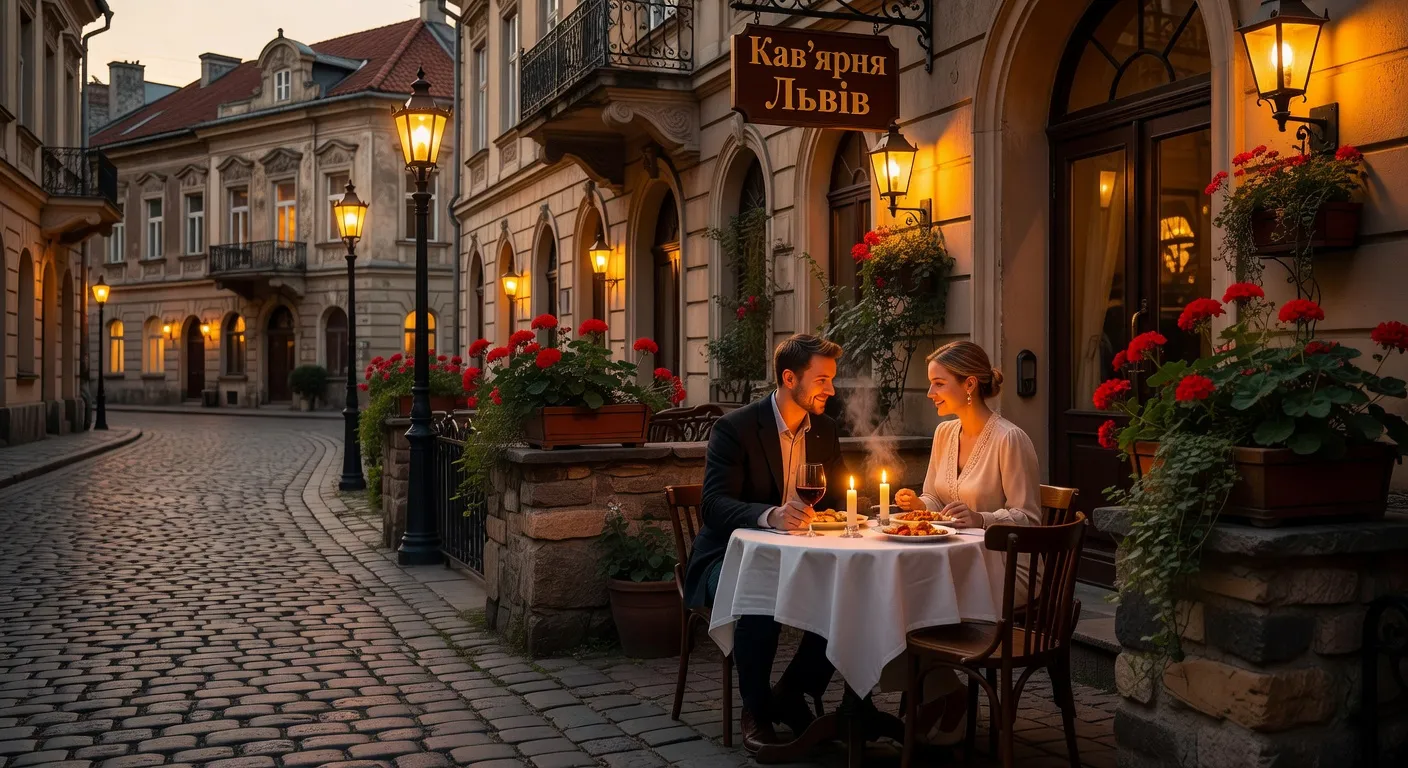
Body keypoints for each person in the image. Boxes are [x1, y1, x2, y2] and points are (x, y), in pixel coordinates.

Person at [682, 334, 849, 754]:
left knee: (850, 592)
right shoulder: (736, 428)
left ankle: (792, 691)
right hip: (727, 558)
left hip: (801, 557)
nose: (831, 390)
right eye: (822, 380)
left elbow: (838, 500)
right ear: (790, 378)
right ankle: (755, 709)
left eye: (832, 380)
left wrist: (843, 512)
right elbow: (713, 505)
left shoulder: (825, 429)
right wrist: (770, 515)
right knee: (762, 591)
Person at [892, 340, 1041, 744]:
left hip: (1009, 568)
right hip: (957, 563)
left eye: (939, 383)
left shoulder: (1010, 439)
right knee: (893, 593)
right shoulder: (945, 433)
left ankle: (939, 696)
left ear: (969, 384)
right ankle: (945, 692)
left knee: (908, 596)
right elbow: (934, 497)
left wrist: (981, 518)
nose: (930, 392)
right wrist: (916, 504)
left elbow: (1029, 518)